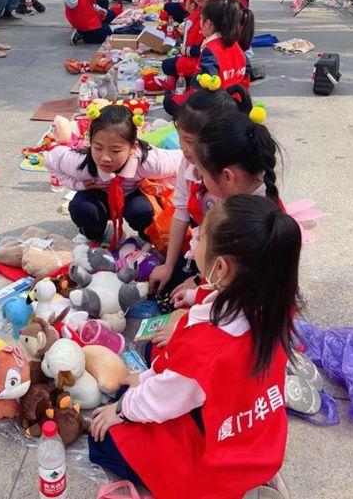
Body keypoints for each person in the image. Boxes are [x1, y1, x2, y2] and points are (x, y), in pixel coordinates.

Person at [88, 193, 300, 498]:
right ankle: (255, 479)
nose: (194, 239)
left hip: (216, 466)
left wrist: (121, 409)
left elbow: (164, 396)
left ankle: (242, 490)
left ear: (221, 268)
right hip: (256, 441)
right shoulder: (273, 305)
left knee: (103, 437)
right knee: (153, 355)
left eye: (200, 236)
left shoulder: (208, 349)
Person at [148, 90, 246, 296]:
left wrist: (199, 282)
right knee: (168, 289)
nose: (183, 148)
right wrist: (168, 266)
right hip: (208, 249)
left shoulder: (236, 182)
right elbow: (181, 212)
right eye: (180, 137)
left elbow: (235, 253)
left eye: (190, 142)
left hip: (236, 266)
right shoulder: (190, 163)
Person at [45, 104, 182, 243]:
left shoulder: (149, 162)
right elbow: (50, 160)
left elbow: (184, 161)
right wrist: (78, 184)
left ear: (133, 147)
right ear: (90, 143)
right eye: (98, 148)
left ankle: (150, 236)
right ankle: (94, 234)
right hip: (98, 196)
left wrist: (159, 186)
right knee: (83, 209)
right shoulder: (80, 164)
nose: (105, 157)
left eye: (115, 150)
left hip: (134, 196)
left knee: (142, 210)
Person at [161, 0, 219, 116]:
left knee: (170, 99)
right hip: (201, 65)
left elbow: (206, 51)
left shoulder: (214, 14)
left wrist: (186, 50)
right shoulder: (204, 11)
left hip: (202, 68)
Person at [193, 0, 253, 92]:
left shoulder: (211, 50)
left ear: (208, 23)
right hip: (238, 99)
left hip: (217, 100)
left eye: (201, 18)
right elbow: (248, 72)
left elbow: (207, 85)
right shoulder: (236, 45)